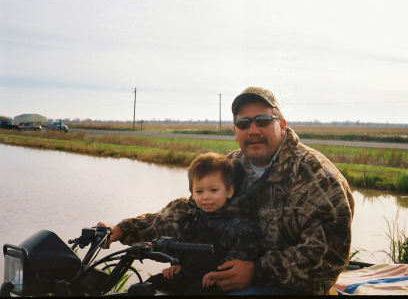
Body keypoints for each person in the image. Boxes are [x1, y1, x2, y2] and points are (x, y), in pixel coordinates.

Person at [99, 87, 354, 295]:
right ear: (235, 132)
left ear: (282, 125)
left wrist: (256, 271)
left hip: (289, 288)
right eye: (244, 124)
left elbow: (327, 255)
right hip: (220, 276)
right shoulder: (231, 165)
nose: (253, 130)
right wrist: (122, 230)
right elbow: (189, 212)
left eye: (263, 121)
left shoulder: (317, 176)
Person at [100, 152, 259, 295]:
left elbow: (242, 254)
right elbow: (181, 242)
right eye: (199, 191)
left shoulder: (236, 223)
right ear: (192, 193)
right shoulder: (191, 216)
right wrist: (179, 264)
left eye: (213, 190)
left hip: (213, 279)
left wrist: (218, 274)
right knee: (148, 286)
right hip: (187, 273)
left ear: (229, 191)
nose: (206, 197)